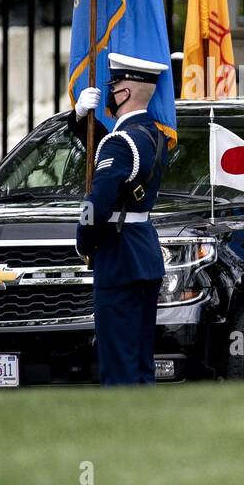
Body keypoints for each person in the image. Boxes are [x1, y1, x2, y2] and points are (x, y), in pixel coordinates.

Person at [70, 52, 171, 386]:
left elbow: (95, 205)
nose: (109, 92)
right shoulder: (153, 136)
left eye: (114, 85)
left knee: (118, 364)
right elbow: (109, 151)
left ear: (126, 91)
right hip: (143, 252)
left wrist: (84, 242)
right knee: (140, 361)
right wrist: (79, 118)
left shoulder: (121, 142)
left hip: (118, 255)